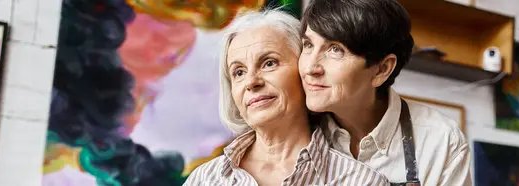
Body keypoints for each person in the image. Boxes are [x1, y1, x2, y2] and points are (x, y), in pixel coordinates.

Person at [184, 9, 389, 186]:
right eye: (239, 72)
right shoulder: (205, 179)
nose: (251, 82)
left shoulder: (360, 181)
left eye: (269, 63)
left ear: (305, 70)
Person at [298, 0, 471, 185]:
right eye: (308, 45)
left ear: (382, 70)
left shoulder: (442, 142)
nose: (310, 68)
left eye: (335, 50)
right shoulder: (294, 126)